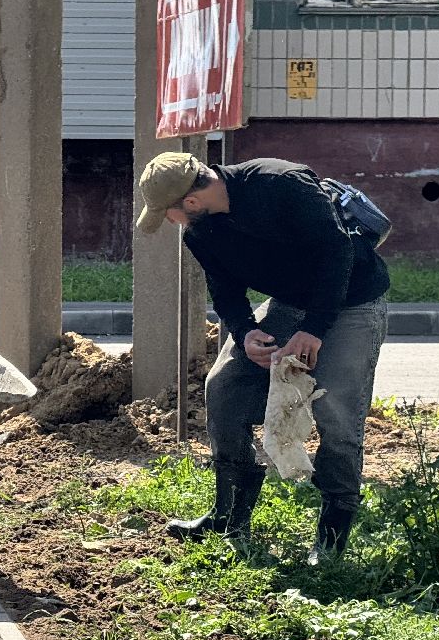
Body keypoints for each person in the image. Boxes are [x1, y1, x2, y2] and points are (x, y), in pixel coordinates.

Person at [135, 153, 390, 562]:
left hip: (353, 303)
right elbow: (227, 291)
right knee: (224, 387)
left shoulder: (280, 183)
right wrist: (245, 331)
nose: (170, 222)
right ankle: (229, 516)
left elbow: (336, 253)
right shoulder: (201, 234)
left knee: (337, 414)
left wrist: (314, 330)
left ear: (192, 202)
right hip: (290, 304)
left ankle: (331, 537)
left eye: (168, 213)